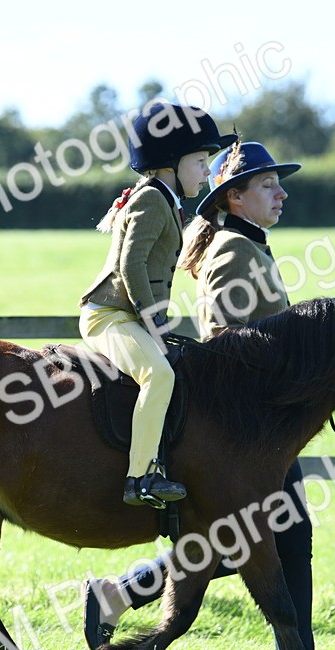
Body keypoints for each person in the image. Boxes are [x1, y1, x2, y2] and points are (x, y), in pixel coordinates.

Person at [83, 140, 326, 650]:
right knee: (276, 538)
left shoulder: (248, 243)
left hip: (268, 424)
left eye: (277, 184)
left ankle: (119, 594)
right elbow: (221, 335)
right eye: (267, 185)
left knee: (266, 539)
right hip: (250, 426)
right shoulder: (234, 250)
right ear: (234, 197)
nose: (280, 193)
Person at [79, 102, 236, 507]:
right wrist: (155, 323)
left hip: (128, 315)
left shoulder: (163, 198)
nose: (206, 171)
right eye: (201, 161)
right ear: (170, 162)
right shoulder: (151, 200)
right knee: (158, 375)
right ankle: (140, 478)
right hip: (109, 316)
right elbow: (131, 266)